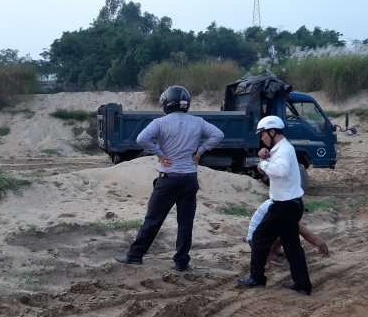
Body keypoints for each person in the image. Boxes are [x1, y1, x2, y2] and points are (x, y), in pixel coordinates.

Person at [115, 86, 224, 272]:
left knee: (153, 219)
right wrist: (200, 151)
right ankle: (181, 262)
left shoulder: (160, 122)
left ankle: (135, 255)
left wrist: (159, 153)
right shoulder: (197, 122)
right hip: (189, 180)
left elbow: (142, 139)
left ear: (168, 102)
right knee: (185, 223)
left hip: (168, 180)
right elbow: (218, 135)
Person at [238, 115, 313, 295]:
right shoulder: (281, 149)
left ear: (272, 132)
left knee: (259, 237)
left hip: (284, 206)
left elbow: (280, 170)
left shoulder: (283, 151)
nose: (261, 138)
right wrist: (265, 157)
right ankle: (302, 285)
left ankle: (257, 278)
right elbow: (267, 169)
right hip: (291, 204)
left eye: (262, 134)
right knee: (291, 244)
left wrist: (264, 162)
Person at [246, 199, 330, 265]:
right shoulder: (273, 205)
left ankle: (275, 250)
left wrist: (316, 241)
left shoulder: (284, 204)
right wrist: (316, 240)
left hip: (263, 238)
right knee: (286, 229)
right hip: (256, 242)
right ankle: (269, 255)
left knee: (290, 227)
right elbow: (298, 228)